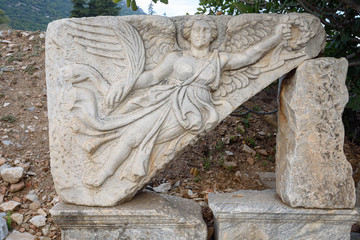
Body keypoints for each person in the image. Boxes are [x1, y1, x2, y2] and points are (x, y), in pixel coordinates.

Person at [72, 15, 290, 188]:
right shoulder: (176, 57)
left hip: (192, 110)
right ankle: (103, 175)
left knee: (140, 136)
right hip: (165, 100)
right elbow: (153, 77)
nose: (201, 34)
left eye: (206, 30)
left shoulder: (218, 59)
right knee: (132, 134)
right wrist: (126, 84)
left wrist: (277, 38)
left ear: (213, 35)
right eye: (197, 29)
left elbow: (249, 56)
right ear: (188, 33)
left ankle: (111, 174)